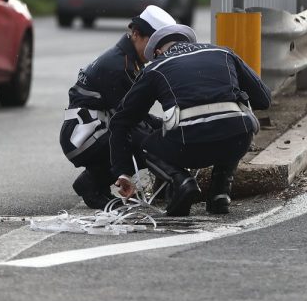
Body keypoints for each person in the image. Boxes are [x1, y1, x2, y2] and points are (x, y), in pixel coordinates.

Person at [109, 24, 272, 216]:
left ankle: (182, 181)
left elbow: (123, 119)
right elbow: (264, 99)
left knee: (145, 142)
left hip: (188, 146)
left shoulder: (156, 66)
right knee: (231, 124)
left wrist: (123, 172)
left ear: (159, 51)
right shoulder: (224, 53)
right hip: (237, 141)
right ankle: (220, 193)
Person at [59, 5, 177, 209]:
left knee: (149, 133)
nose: (159, 50)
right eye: (155, 42)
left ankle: (97, 180)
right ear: (136, 35)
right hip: (81, 137)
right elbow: (130, 118)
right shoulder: (119, 66)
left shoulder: (127, 59)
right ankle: (91, 185)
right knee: (144, 141)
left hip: (89, 131)